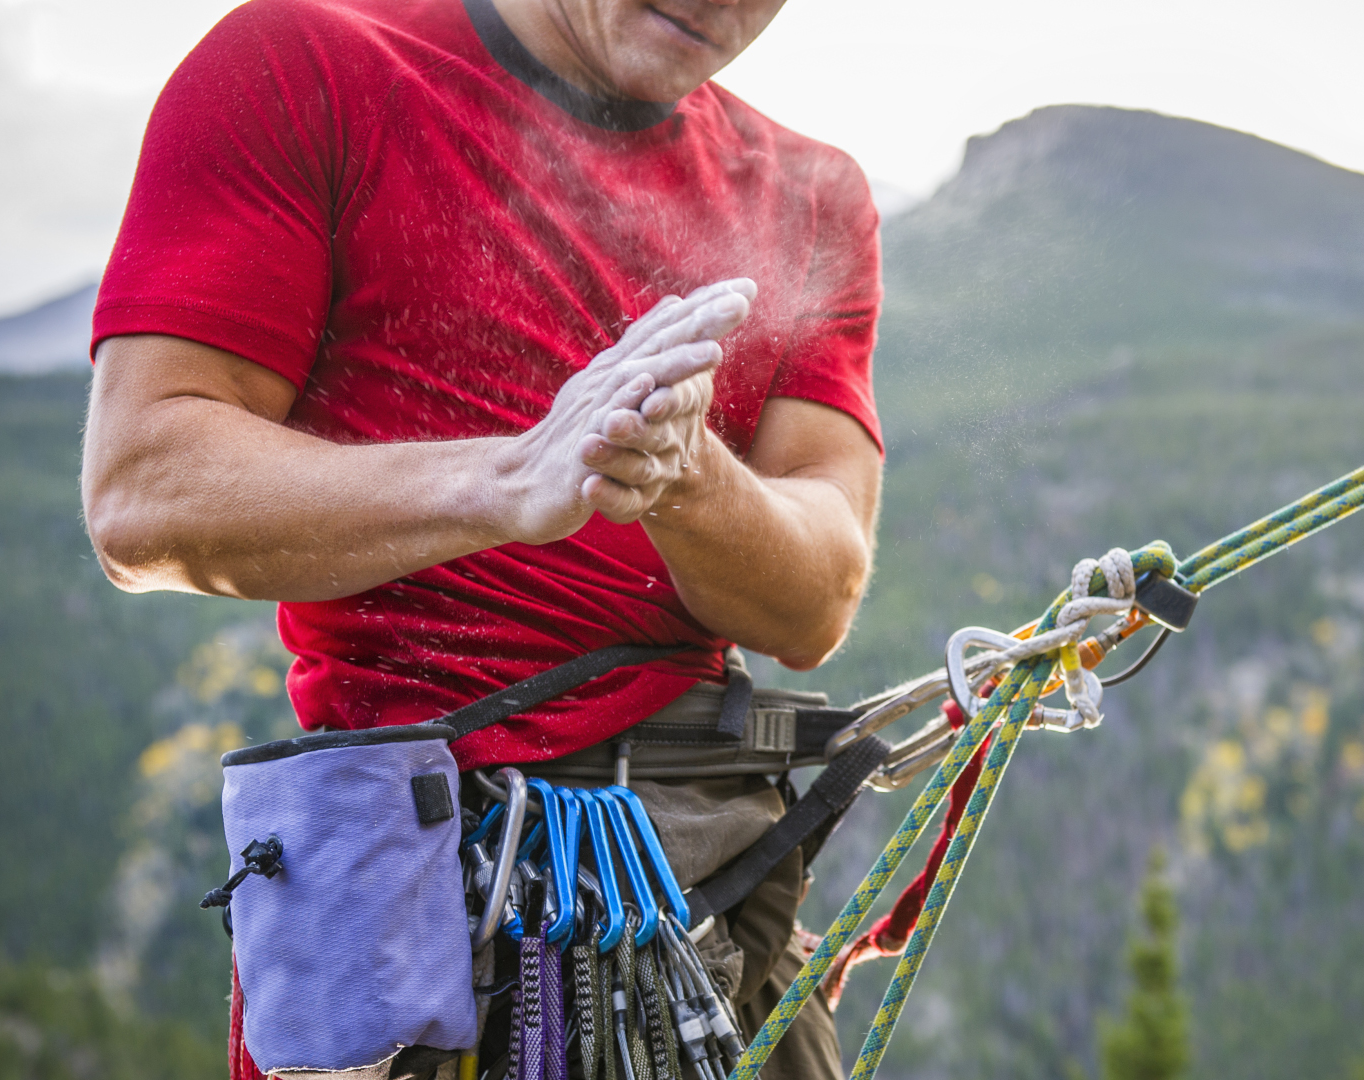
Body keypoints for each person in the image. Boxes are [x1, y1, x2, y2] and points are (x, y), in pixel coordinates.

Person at [79, 0, 883, 1074]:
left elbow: (814, 599)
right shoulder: (303, 67)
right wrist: (505, 477)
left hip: (712, 895)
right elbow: (143, 490)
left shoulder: (811, 200)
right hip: (417, 904)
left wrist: (684, 474)